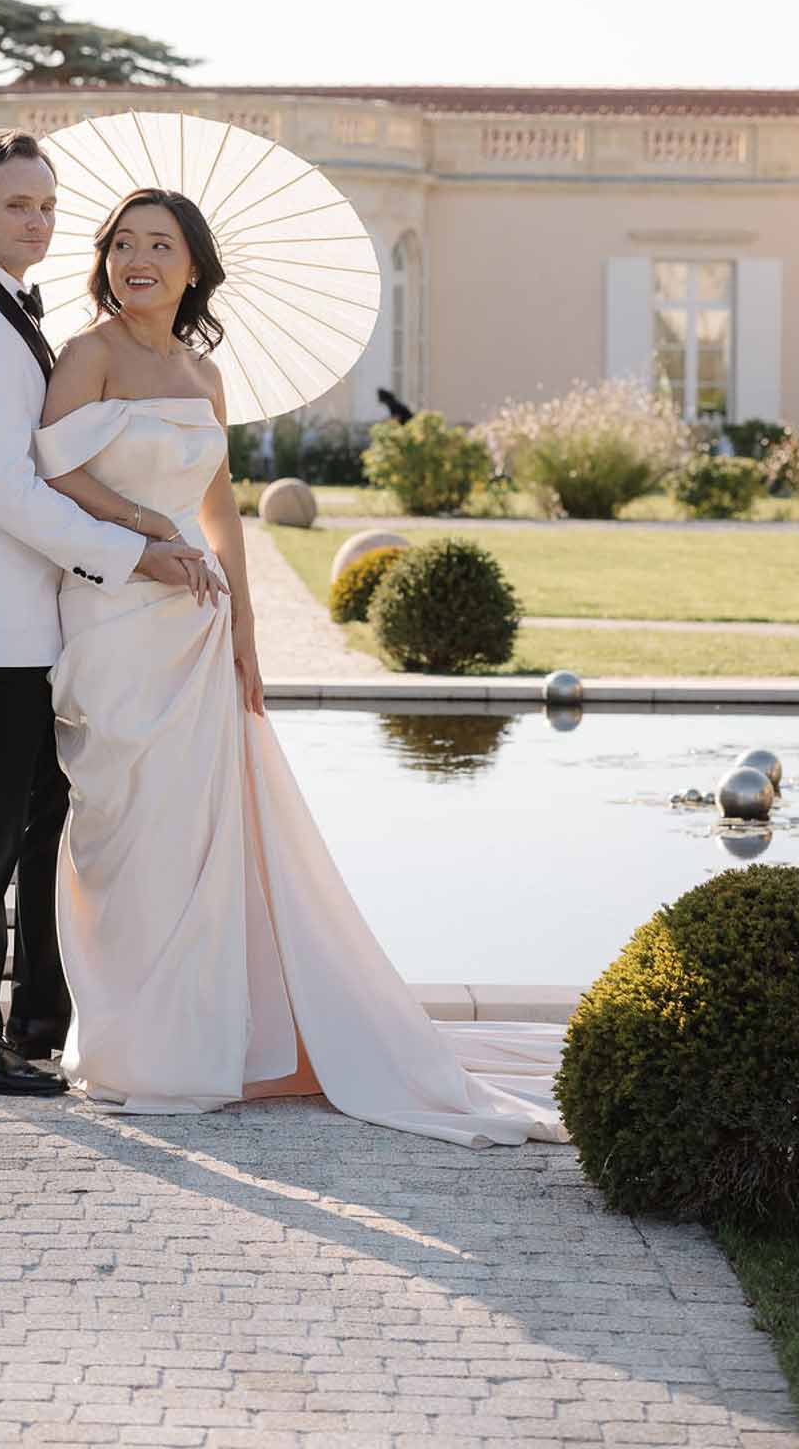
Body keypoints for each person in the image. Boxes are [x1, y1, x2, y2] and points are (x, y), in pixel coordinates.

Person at [33, 185, 569, 1145]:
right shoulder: (87, 356)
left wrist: (244, 633)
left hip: (196, 628)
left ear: (195, 265)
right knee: (123, 830)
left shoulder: (202, 373)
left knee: (202, 837)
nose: (136, 260)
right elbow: (53, 474)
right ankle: (125, 1044)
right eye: (122, 244)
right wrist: (143, 525)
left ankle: (192, 1045)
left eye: (160, 244)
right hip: (113, 618)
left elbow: (222, 503)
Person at [0, 130, 225, 1100]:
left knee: (28, 815)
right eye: (16, 205)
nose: (37, 221)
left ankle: (27, 1021)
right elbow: (10, 489)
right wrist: (138, 550)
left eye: (47, 206)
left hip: (33, 611)